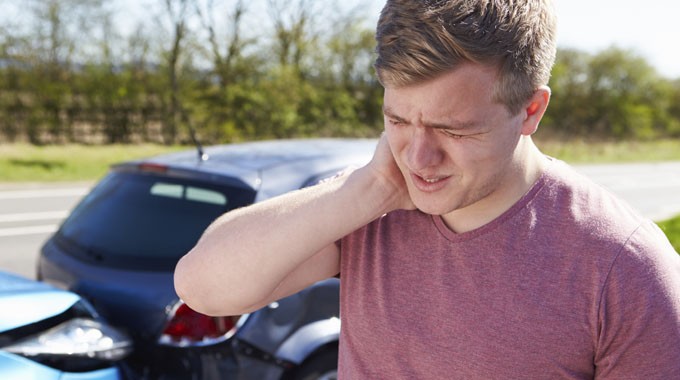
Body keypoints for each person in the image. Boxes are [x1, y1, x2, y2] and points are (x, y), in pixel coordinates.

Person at [175, 0, 680, 378]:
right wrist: (368, 190)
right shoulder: (372, 206)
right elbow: (203, 289)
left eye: (454, 130)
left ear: (530, 110)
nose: (418, 159)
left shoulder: (624, 266)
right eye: (397, 119)